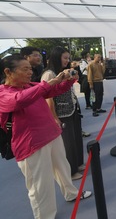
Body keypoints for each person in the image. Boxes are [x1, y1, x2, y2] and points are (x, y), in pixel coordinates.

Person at [0, 55, 91, 219]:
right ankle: (45, 216)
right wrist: (50, 83)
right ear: (8, 72)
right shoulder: (3, 93)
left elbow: (52, 91)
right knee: (40, 185)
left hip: (51, 135)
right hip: (31, 144)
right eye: (25, 69)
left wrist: (68, 80)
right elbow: (19, 101)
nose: (30, 72)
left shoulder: (31, 85)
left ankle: (71, 193)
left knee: (63, 168)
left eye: (30, 68)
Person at [41, 47, 85, 181]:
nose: (67, 61)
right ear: (56, 57)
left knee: (76, 138)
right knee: (68, 143)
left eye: (68, 58)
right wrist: (54, 117)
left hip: (71, 109)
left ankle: (77, 163)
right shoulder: (49, 74)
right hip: (61, 113)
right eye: (64, 58)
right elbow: (48, 98)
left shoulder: (63, 72)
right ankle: (71, 171)